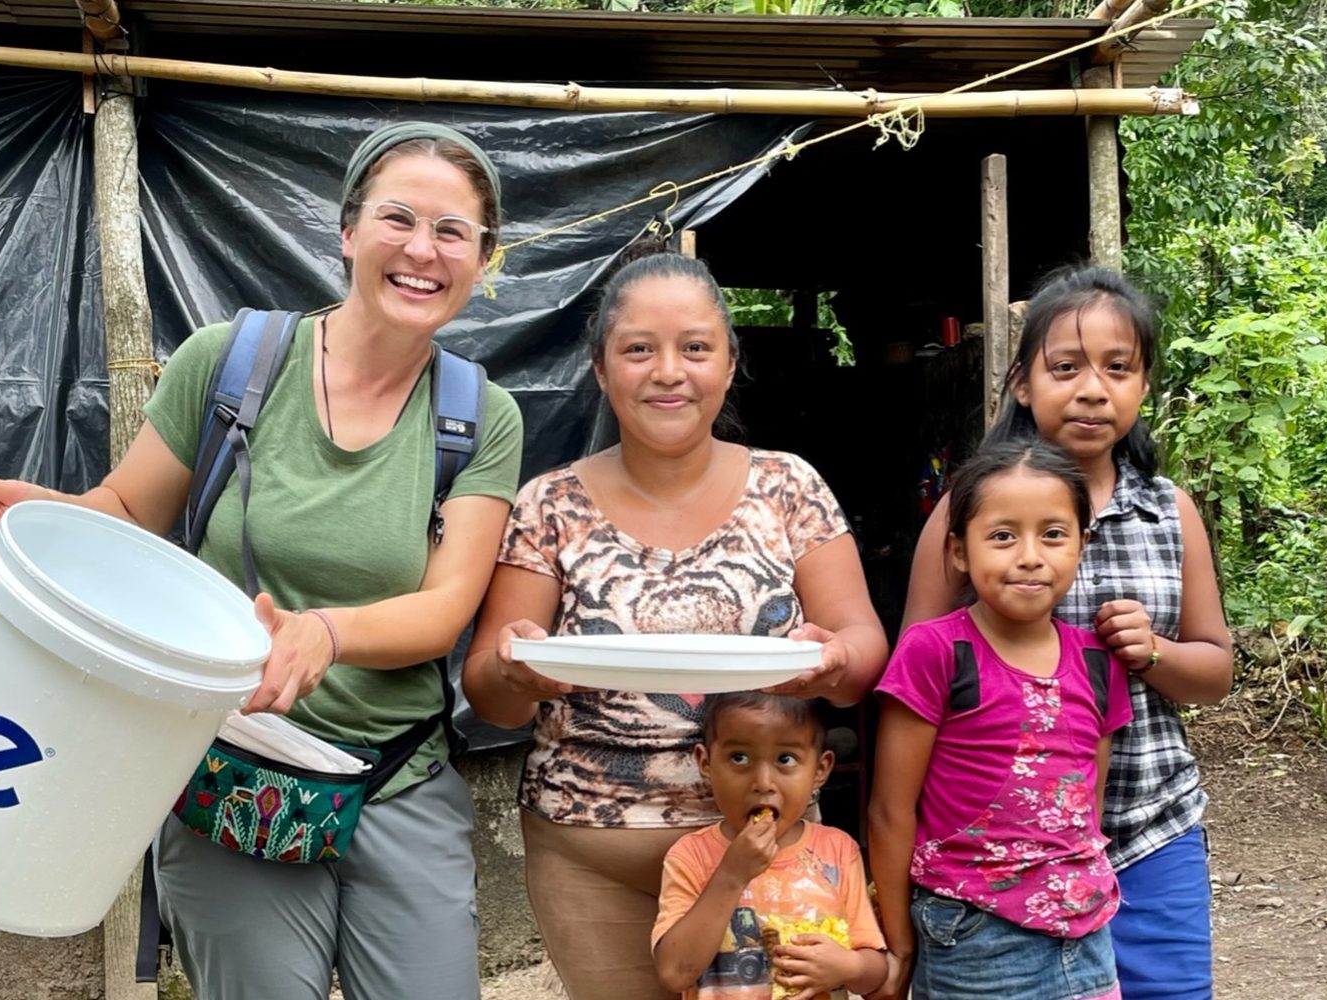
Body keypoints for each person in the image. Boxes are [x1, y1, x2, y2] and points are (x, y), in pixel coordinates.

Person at [0, 122, 525, 1000]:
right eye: (398, 219)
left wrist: (325, 636)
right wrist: (47, 527)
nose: (423, 250)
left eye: (454, 232)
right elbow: (124, 513)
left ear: (482, 259)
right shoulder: (229, 364)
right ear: (347, 231)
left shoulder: (479, 417)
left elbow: (447, 608)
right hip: (236, 772)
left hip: (398, 780)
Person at [463, 250, 889, 1000]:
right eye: (638, 349)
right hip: (589, 857)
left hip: (770, 850)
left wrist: (834, 656)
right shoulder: (548, 504)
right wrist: (514, 671)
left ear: (729, 364)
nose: (668, 371)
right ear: (600, 369)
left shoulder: (788, 486)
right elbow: (493, 695)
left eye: (695, 347)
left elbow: (861, 655)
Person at [898, 266, 1232, 1000]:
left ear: (1144, 385)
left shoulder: (1169, 512)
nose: (1092, 389)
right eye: (1066, 367)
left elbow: (1215, 671)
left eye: (1118, 368)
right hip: (995, 862)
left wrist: (1153, 652)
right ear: (1023, 382)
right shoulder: (966, 512)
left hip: (1150, 826)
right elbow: (913, 689)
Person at [869, 440, 1133, 1000]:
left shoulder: (1096, 661)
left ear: (1083, 545)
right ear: (960, 551)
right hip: (973, 937)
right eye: (1003, 536)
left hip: (1087, 937)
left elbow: (1088, 805)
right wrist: (898, 945)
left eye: (1053, 534)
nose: (1030, 555)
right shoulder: (935, 651)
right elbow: (891, 812)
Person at [653, 692, 888, 1000]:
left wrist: (849, 966)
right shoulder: (690, 856)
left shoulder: (837, 851)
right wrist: (731, 874)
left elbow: (876, 970)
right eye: (739, 758)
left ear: (820, 769)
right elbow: (674, 973)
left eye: (785, 759)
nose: (763, 782)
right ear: (706, 763)